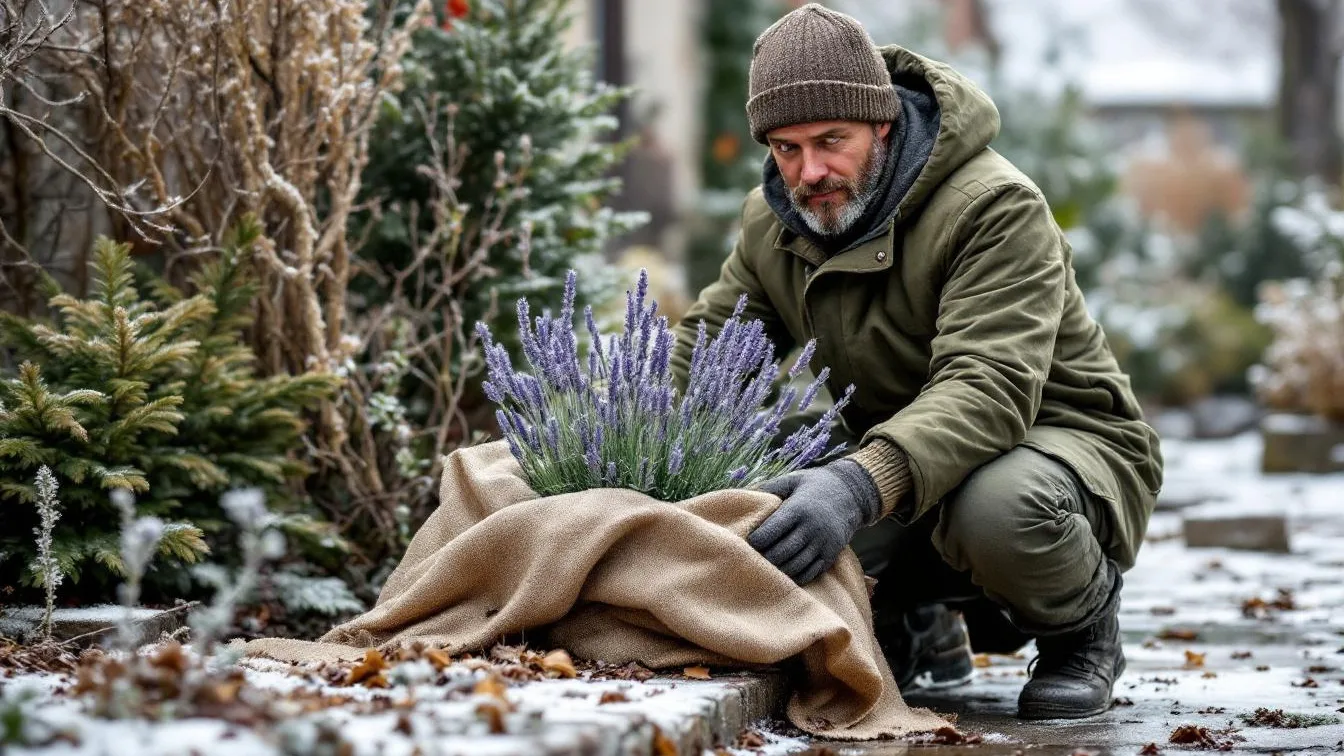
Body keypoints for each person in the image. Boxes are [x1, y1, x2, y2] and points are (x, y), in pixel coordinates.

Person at [668, 4, 1163, 720]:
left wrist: (854, 487)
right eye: (785, 148)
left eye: (831, 140)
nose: (809, 172)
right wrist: (587, 439)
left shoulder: (994, 207)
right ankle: (909, 614)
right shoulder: (773, 220)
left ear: (884, 124)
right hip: (904, 453)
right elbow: (706, 358)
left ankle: (1082, 630)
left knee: (996, 509)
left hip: (1056, 447)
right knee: (759, 482)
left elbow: (987, 389)